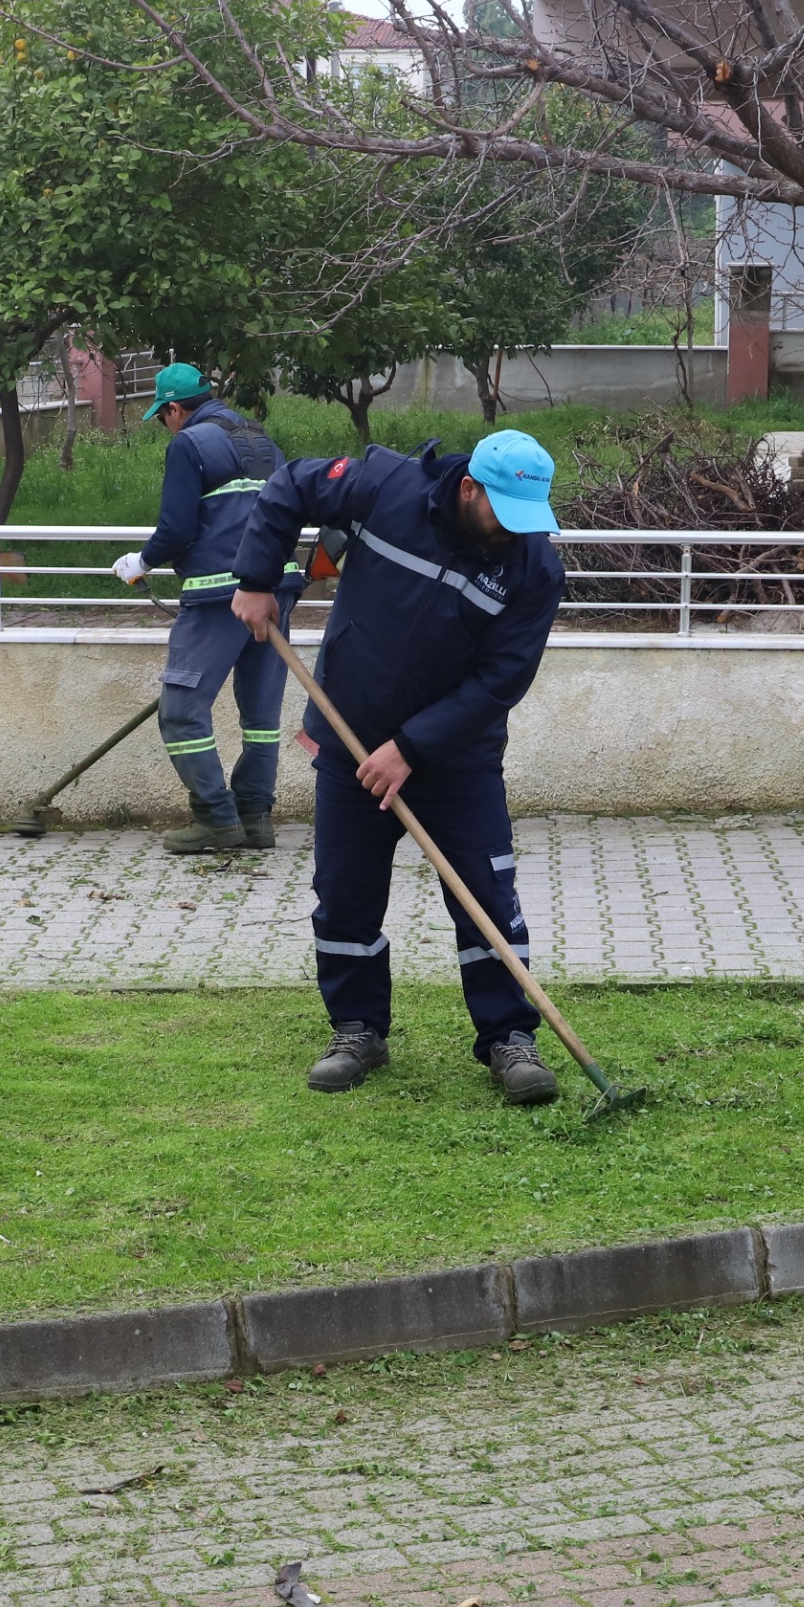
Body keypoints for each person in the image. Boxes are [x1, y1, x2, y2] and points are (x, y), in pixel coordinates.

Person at [229, 429, 568, 1104]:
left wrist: (411, 748)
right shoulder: (385, 486)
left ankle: (509, 1037)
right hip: (351, 742)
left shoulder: (535, 570)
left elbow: (500, 681)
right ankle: (357, 1030)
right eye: (505, 512)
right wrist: (258, 578)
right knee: (345, 894)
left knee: (487, 899)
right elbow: (290, 487)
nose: (516, 530)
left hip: (457, 760)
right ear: (469, 488)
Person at [111, 363, 303, 853]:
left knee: (181, 711)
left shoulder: (188, 444)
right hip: (276, 589)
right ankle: (255, 817)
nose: (166, 425)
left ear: (175, 409)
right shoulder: (261, 440)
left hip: (220, 594)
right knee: (261, 715)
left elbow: (177, 528)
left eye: (163, 417)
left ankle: (215, 817)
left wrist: (141, 562)